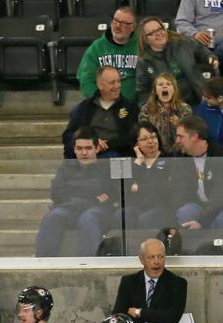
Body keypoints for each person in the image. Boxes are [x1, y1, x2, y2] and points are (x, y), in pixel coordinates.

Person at [36, 128, 115, 257]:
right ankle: (43, 263)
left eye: (89, 148)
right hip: (71, 209)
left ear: (97, 148)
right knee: (52, 217)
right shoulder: (66, 167)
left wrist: (75, 191)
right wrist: (92, 196)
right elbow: (56, 193)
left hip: (98, 211)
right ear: (74, 149)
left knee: (88, 218)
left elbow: (111, 193)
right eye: (79, 148)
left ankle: (89, 265)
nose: (84, 153)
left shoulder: (106, 167)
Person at [113, 237, 189, 323]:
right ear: (141, 259)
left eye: (161, 257)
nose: (157, 262)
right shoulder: (129, 283)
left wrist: (139, 312)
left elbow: (171, 317)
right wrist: (154, 322)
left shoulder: (177, 284)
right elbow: (119, 317)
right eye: (151, 257)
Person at [170, 115, 223, 232]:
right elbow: (178, 191)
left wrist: (202, 221)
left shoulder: (221, 156)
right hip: (199, 205)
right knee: (186, 213)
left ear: (194, 136)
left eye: (181, 136)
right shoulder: (180, 157)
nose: (177, 141)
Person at [62, 66, 138, 159]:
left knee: (112, 157)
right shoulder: (84, 107)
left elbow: (131, 135)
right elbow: (68, 135)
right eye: (112, 82)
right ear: (100, 85)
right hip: (87, 150)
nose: (117, 86)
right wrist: (91, 143)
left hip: (114, 152)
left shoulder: (129, 107)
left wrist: (106, 145)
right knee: (70, 149)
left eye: (118, 81)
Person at [135, 15, 214, 105]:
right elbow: (143, 93)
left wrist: (210, 57)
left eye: (160, 29)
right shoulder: (144, 62)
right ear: (146, 39)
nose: (158, 33)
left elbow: (200, 50)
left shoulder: (182, 44)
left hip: (197, 101)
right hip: (168, 109)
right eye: (152, 33)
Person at [77, 4, 140, 102]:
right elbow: (86, 79)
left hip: (134, 105)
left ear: (133, 27)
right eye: (116, 21)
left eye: (123, 23)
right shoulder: (97, 47)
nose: (118, 26)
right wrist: (99, 99)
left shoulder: (141, 46)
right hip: (104, 104)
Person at [126, 122, 174, 230]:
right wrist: (139, 161)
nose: (150, 142)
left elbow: (163, 188)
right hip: (138, 206)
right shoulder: (134, 162)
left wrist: (139, 187)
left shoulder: (170, 159)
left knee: (146, 218)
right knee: (122, 215)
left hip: (163, 207)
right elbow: (126, 187)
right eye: (144, 139)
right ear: (136, 144)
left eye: (153, 137)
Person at [139, 73, 193, 155]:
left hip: (179, 154)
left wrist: (179, 125)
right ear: (155, 91)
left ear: (174, 90)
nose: (164, 86)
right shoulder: (146, 109)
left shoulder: (185, 109)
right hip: (155, 153)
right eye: (160, 84)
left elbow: (189, 135)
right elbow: (143, 133)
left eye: (168, 84)